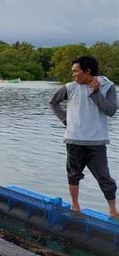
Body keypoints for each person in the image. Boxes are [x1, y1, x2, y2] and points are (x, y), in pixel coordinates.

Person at [49, 56, 118, 220]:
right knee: (73, 175)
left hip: (97, 142)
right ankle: (75, 206)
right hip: (75, 140)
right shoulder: (70, 87)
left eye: (76, 71)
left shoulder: (107, 86)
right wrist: (66, 120)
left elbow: (111, 110)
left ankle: (113, 211)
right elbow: (53, 102)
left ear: (87, 72)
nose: (73, 74)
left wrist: (96, 93)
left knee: (105, 177)